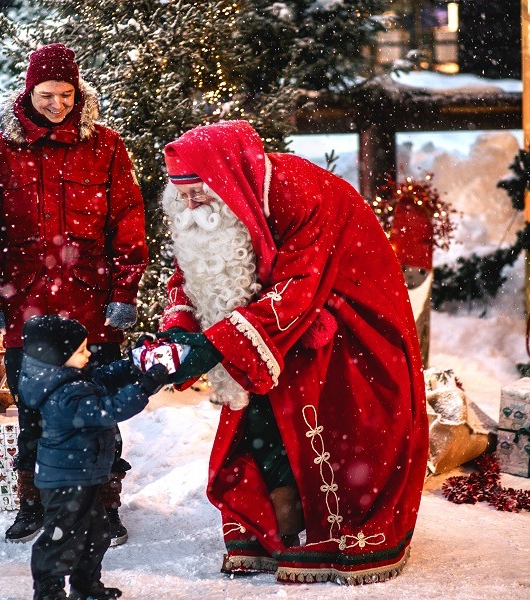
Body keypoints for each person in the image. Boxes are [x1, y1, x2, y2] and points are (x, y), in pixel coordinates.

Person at [158, 121, 429, 585]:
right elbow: (193, 274)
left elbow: (297, 290)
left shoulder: (299, 191)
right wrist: (181, 330)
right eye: (180, 193)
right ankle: (283, 502)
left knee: (327, 400)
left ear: (226, 178)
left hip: (352, 309)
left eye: (197, 190)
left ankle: (328, 518)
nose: (189, 204)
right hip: (289, 309)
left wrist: (213, 346)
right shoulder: (220, 203)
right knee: (258, 387)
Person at [0, 43, 148, 546]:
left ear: (79, 92)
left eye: (67, 94)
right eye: (47, 94)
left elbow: (128, 222)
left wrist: (126, 290)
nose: (57, 105)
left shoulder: (107, 146)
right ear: (28, 92)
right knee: (32, 409)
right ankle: (34, 502)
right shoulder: (0, 151)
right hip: (25, 302)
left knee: (97, 406)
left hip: (89, 302)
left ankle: (103, 503)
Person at [18, 314, 169, 600]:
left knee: (95, 534)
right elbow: (110, 408)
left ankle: (86, 587)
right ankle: (48, 592)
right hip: (65, 482)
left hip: (81, 476)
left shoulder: (69, 377)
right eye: (81, 350)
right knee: (62, 540)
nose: (88, 354)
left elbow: (104, 377)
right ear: (57, 357)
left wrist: (136, 361)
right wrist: (146, 385)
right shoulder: (64, 396)